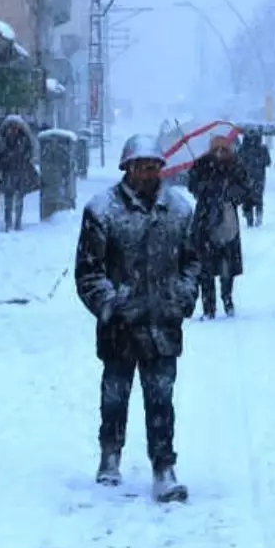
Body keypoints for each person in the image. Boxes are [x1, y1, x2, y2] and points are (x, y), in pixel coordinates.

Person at [75, 134, 201, 503]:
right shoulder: (101, 211)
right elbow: (88, 270)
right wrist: (111, 303)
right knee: (115, 394)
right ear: (127, 167)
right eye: (141, 165)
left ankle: (164, 466)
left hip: (163, 322)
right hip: (120, 325)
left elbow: (192, 262)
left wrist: (182, 295)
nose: (148, 173)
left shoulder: (179, 210)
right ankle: (109, 455)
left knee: (161, 398)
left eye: (154, 166)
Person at [187, 134, 250, 319]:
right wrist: (202, 187)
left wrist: (231, 194)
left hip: (227, 219)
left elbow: (245, 187)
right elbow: (192, 185)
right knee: (205, 268)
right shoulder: (201, 164)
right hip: (204, 220)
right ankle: (209, 307)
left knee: (227, 265)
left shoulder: (235, 165)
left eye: (224, 149)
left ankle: (227, 299)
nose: (220, 152)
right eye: (217, 149)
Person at [0, 115, 35, 231]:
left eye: (15, 127)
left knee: (19, 198)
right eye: (11, 127)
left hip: (20, 171)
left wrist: (23, 159)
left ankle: (18, 222)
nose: (13, 129)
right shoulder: (3, 140)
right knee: (8, 198)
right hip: (8, 171)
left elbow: (29, 153)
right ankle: (8, 222)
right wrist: (4, 160)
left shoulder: (24, 139)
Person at [236, 128, 272, 227]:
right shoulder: (263, 149)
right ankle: (259, 217)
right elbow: (268, 163)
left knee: (247, 199)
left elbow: (237, 163)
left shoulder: (242, 149)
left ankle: (249, 220)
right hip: (259, 177)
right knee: (258, 198)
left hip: (245, 178)